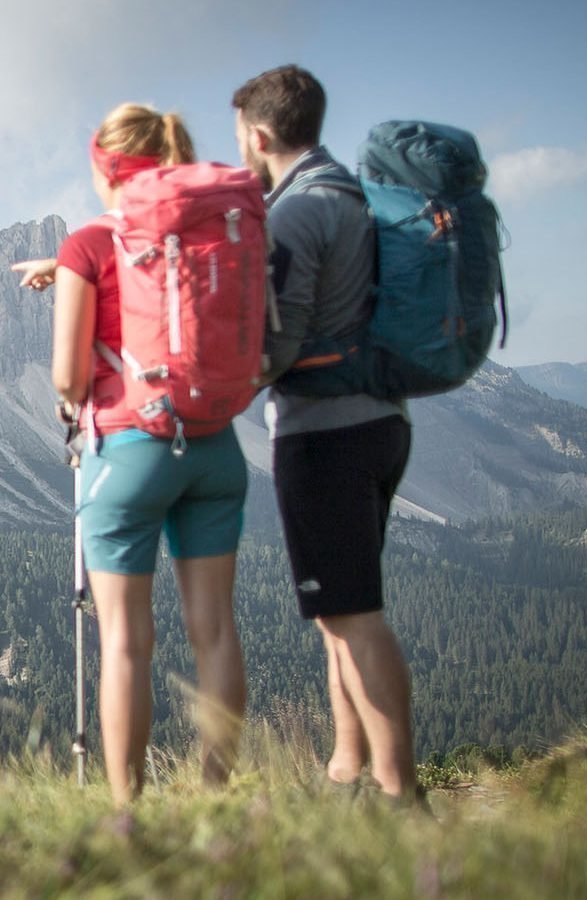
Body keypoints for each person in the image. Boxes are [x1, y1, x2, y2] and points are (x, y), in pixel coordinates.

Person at [16, 103, 249, 806]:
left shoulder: (88, 244)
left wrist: (72, 281)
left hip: (131, 451)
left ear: (105, 167)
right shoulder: (211, 232)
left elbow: (67, 377)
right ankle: (217, 798)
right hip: (216, 446)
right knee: (214, 631)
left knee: (125, 642)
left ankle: (128, 811)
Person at [232, 64, 419, 802]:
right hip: (382, 419)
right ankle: (347, 770)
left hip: (324, 432)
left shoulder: (294, 213)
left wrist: (216, 386)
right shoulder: (351, 194)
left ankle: (401, 792)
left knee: (355, 615)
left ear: (260, 134)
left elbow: (278, 343)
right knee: (338, 613)